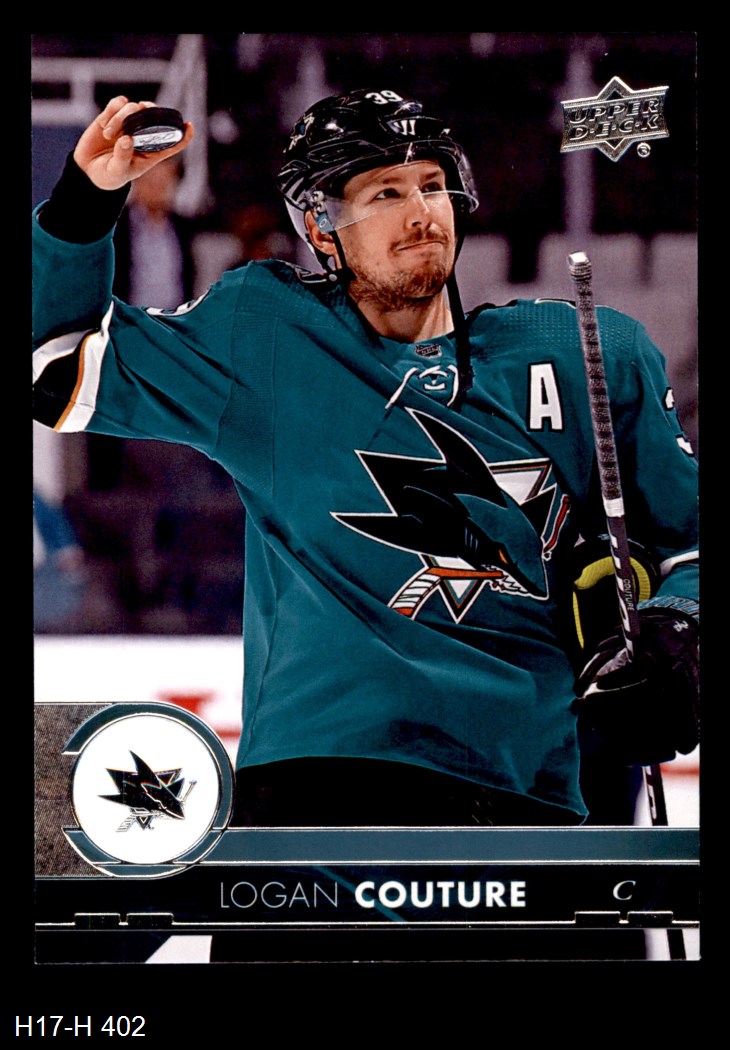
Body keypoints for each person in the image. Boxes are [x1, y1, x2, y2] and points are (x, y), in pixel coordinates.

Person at [32, 90, 698, 829]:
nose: (422, 213)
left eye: (433, 185)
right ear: (321, 227)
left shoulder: (585, 354)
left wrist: (673, 632)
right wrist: (83, 203)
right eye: (386, 192)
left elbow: (688, 545)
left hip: (525, 792)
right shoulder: (267, 336)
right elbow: (52, 369)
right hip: (318, 788)